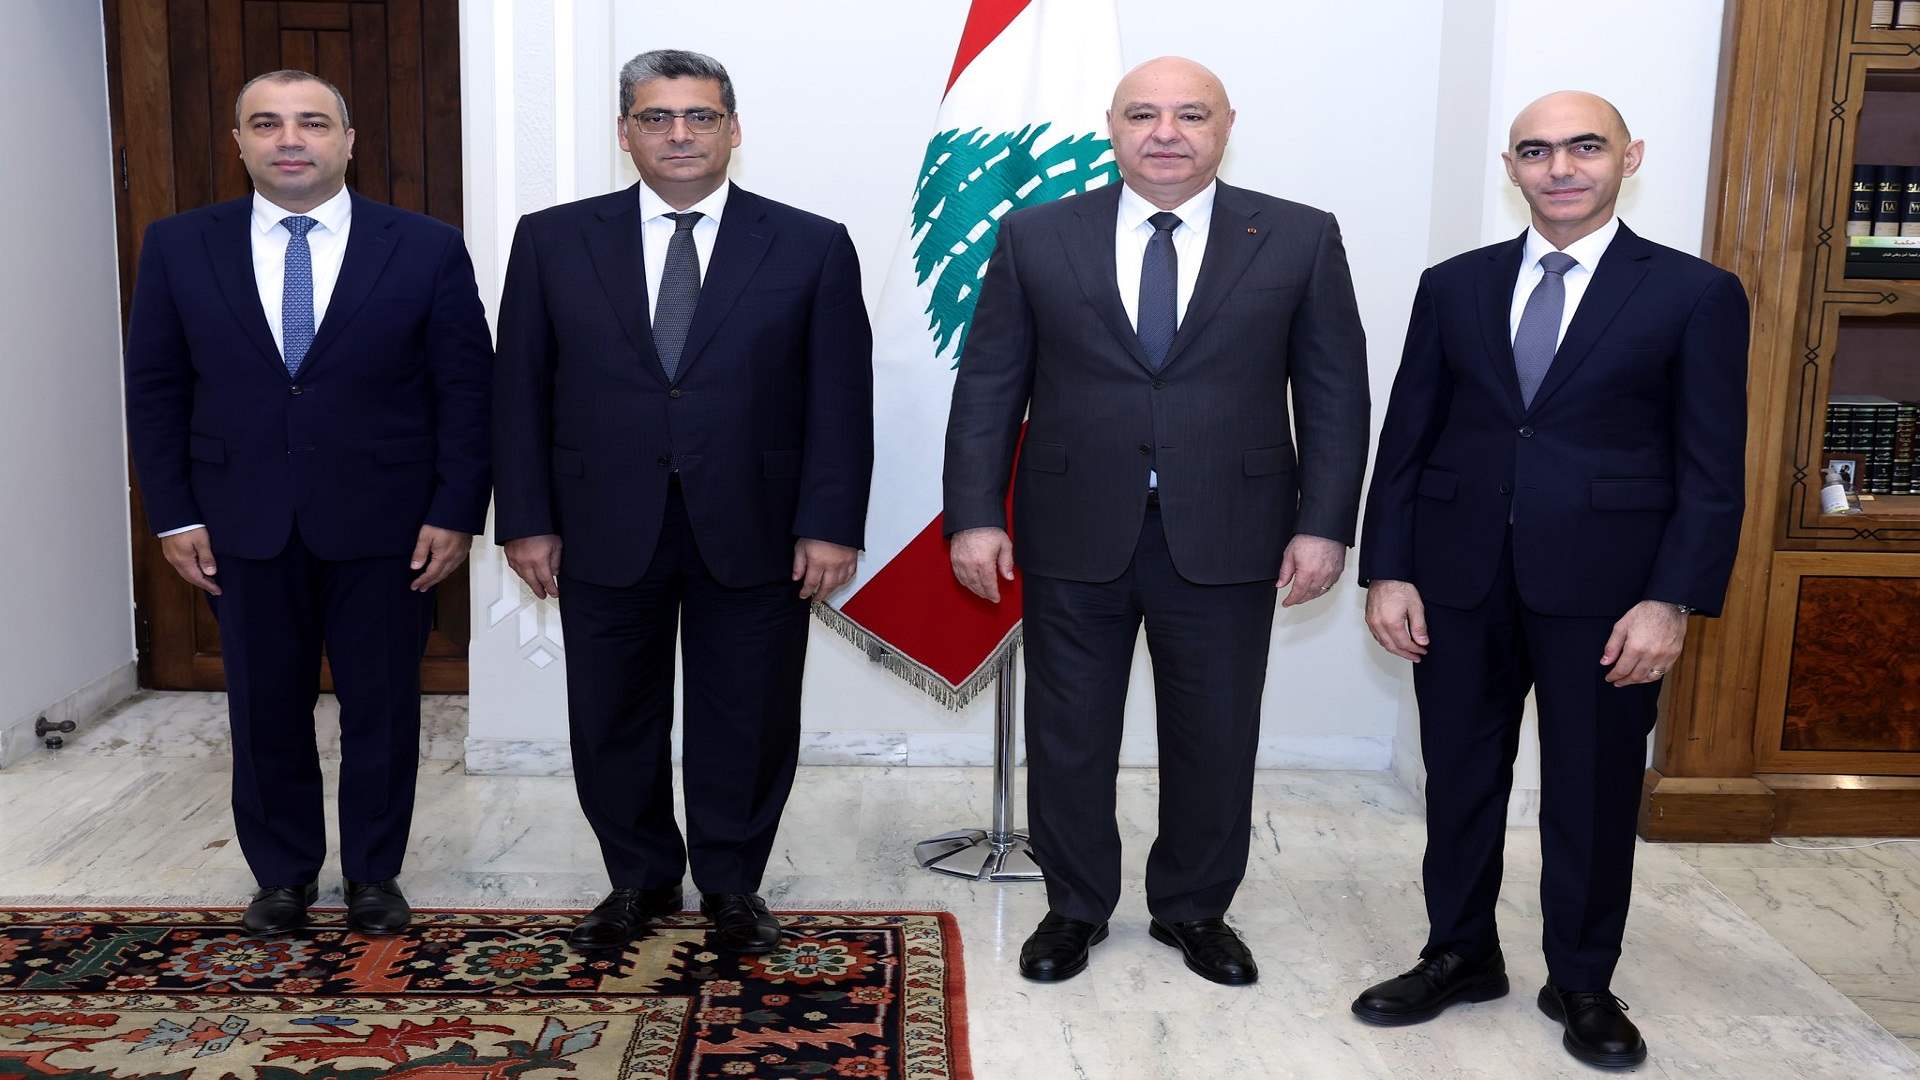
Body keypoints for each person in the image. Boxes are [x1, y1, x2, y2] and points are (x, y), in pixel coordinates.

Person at [943, 56, 1370, 986]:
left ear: (1226, 125)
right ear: (1112, 126)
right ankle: (1073, 907)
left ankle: (1194, 909)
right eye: (1143, 114)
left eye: (1190, 114)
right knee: (1069, 734)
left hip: (1233, 530)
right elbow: (989, 384)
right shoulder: (1036, 234)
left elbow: (1334, 391)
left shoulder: (1298, 236)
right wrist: (973, 514)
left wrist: (1325, 523)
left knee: (1215, 733)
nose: (1166, 132)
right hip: (1072, 526)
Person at [1350, 91, 1748, 1069]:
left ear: (1629, 157)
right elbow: (1407, 439)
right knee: (1460, 779)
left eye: (1584, 147)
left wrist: (1672, 598)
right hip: (1457, 581)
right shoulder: (1455, 286)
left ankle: (1582, 981)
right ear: (1512, 167)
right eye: (1536, 151)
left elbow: (1712, 466)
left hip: (1612, 593)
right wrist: (1388, 569)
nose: (1560, 167)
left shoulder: (1694, 293)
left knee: (1593, 790)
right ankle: (1459, 954)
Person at [492, 49, 873, 954]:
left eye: (699, 116)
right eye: (656, 117)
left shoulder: (811, 243)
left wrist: (828, 524)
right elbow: (519, 390)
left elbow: (840, 398)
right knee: (612, 712)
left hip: (759, 526)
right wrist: (527, 519)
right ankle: (639, 879)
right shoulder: (552, 240)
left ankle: (733, 886)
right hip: (599, 523)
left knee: (748, 714)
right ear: (625, 134)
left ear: (733, 129)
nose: (679, 134)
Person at [124, 69, 492, 936]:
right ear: (239, 143)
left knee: (383, 707)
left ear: (348, 141)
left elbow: (467, 390)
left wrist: (455, 511)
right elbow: (156, 388)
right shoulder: (179, 245)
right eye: (267, 123)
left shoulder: (426, 246)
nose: (290, 139)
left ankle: (373, 874)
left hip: (390, 524)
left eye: (312, 122)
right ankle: (282, 877)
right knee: (263, 708)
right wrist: (174, 514)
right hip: (237, 520)